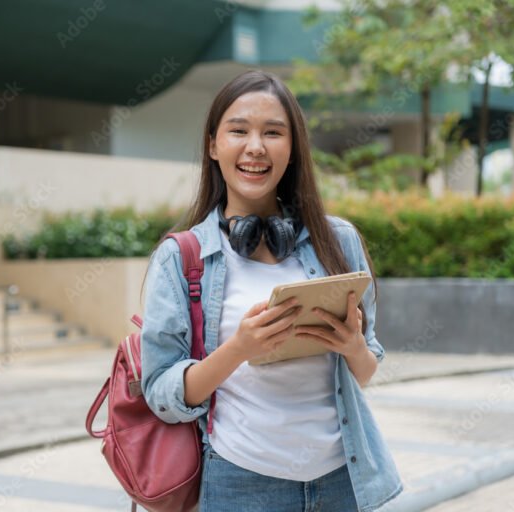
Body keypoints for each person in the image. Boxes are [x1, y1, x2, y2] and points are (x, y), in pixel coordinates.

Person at [139, 69, 403, 512]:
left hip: (341, 481)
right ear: (213, 145)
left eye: (273, 132)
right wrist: (239, 348)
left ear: (293, 147)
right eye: (238, 130)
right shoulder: (181, 257)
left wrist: (353, 345)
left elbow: (366, 367)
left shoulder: (339, 242)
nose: (255, 146)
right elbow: (161, 392)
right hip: (240, 483)